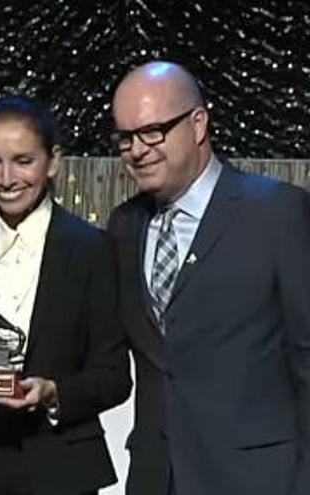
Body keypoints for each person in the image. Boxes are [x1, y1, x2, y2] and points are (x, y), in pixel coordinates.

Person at [107, 60, 310, 495]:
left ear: (198, 124)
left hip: (260, 480)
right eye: (125, 138)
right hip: (155, 479)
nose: (138, 150)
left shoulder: (276, 212)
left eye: (152, 131)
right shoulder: (123, 226)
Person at [0, 96, 131, 495]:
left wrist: (55, 393)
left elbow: (114, 377)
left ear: (53, 162)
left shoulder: (93, 250)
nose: (5, 178)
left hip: (63, 467)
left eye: (23, 160)